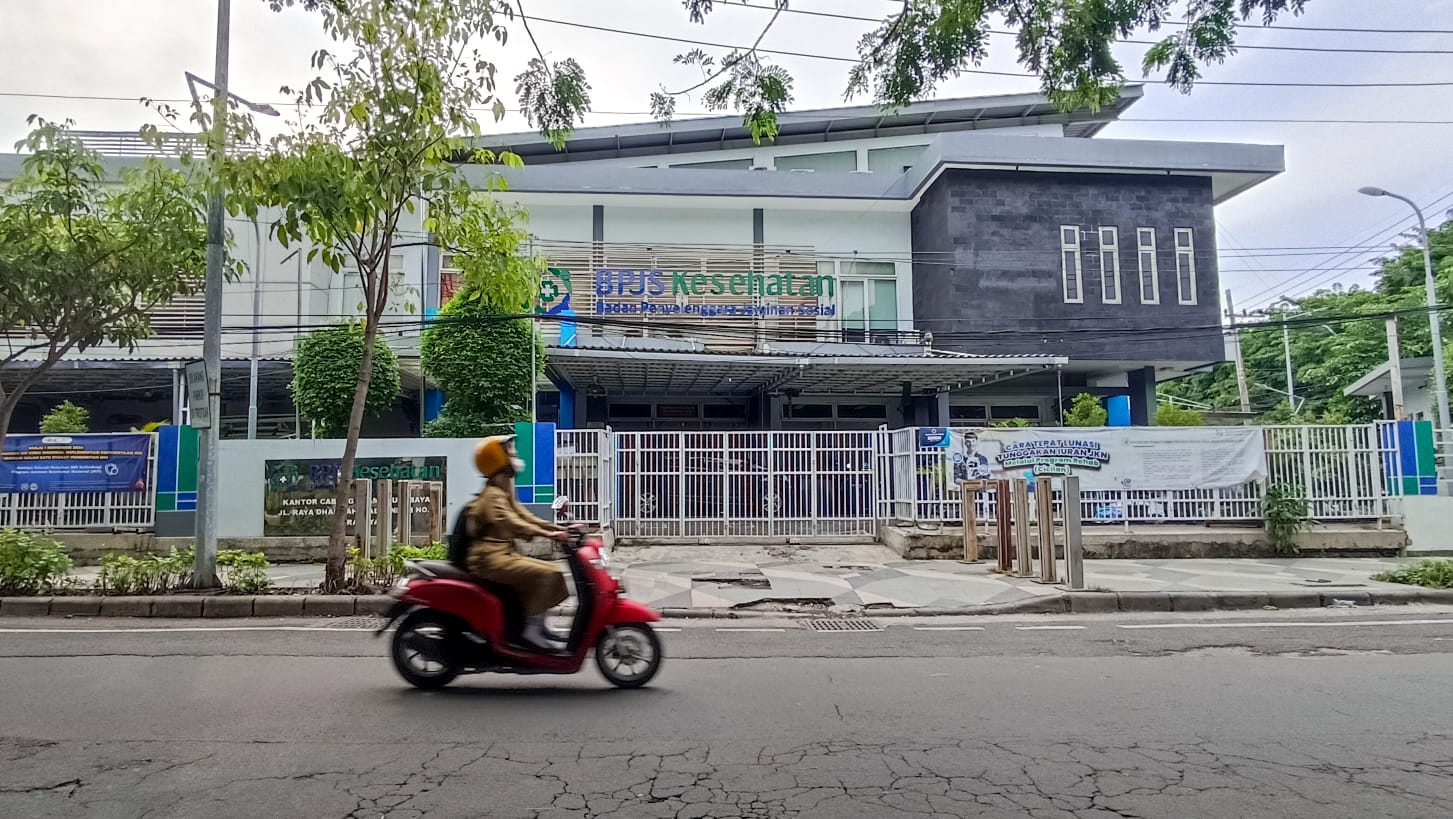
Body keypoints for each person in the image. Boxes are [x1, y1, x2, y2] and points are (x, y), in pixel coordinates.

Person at [465, 435, 571, 652]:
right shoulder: (493, 496)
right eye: (510, 452)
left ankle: (537, 625)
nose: (514, 456)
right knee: (550, 575)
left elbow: (525, 516)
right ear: (496, 459)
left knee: (554, 575)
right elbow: (512, 523)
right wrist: (548, 535)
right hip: (489, 559)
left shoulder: (503, 492)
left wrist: (555, 529)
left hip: (503, 555)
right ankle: (528, 630)